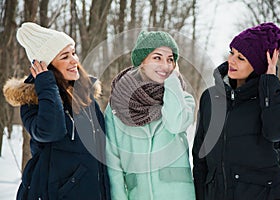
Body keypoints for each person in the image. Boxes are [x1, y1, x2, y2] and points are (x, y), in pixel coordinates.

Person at [3, 22, 110, 199]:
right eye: (65, 56)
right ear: (47, 65)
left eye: (74, 53)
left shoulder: (86, 98)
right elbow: (51, 131)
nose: (74, 60)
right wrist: (46, 85)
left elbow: (102, 150)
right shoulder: (34, 100)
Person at [192, 22, 280, 200]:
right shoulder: (210, 99)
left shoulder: (276, 99)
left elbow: (277, 131)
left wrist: (269, 82)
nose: (231, 61)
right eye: (232, 52)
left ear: (258, 65)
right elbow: (200, 157)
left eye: (241, 58)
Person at [105, 30, 196, 199]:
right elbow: (112, 161)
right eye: (157, 58)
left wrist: (172, 80)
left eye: (170, 59)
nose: (165, 65)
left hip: (178, 195)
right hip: (138, 195)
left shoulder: (184, 99)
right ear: (142, 61)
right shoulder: (117, 105)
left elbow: (175, 123)